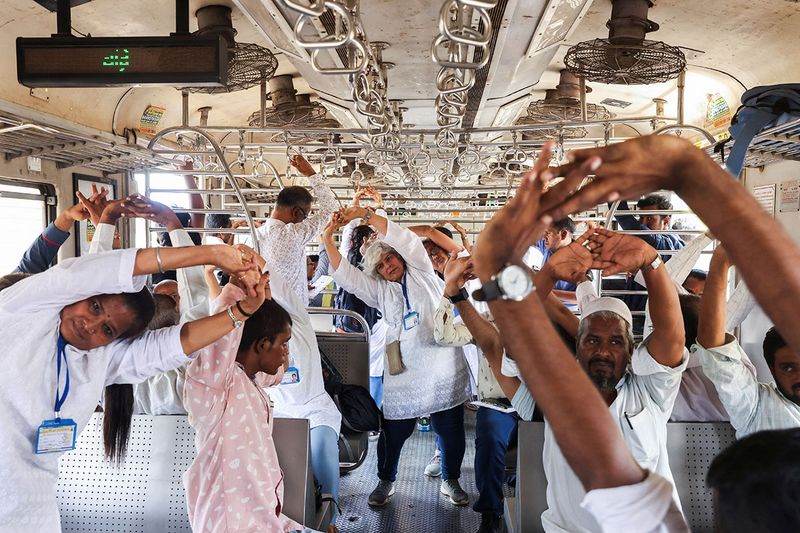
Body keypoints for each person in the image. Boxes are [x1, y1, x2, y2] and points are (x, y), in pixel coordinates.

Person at [468, 146, 689, 532]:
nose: (603, 350)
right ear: (578, 344)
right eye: (591, 340)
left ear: (632, 348)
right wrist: (549, 273)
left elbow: (671, 336)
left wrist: (650, 262)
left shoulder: (650, 392)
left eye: (616, 342)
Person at [0, 209, 262, 532]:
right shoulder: (21, 310)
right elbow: (91, 271)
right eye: (94, 307)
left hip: (33, 517)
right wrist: (213, 254)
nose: (91, 325)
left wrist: (240, 312)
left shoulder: (99, 361)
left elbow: (172, 346)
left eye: (108, 330)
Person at [322, 206, 471, 507]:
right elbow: (347, 277)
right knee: (395, 431)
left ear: (399, 256)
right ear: (376, 272)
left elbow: (409, 240)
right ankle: (385, 480)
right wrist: (327, 238)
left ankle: (450, 479)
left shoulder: (422, 271)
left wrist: (365, 214)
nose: (387, 265)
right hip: (404, 373)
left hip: (442, 365)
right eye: (380, 265)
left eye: (389, 257)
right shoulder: (380, 291)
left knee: (450, 428)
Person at [183, 270, 321, 533]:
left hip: (263, 517)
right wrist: (236, 288)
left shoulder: (250, 379)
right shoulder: (216, 388)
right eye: (284, 344)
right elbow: (218, 344)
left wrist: (264, 303)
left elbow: (278, 370)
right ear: (262, 345)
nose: (286, 353)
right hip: (229, 522)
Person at [254, 154, 343, 523]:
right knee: (309, 397)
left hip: (260, 329)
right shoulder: (291, 235)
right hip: (295, 328)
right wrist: (314, 174)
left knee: (280, 397)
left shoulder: (254, 235)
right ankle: (331, 511)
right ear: (297, 214)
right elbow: (334, 210)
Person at [433, 253, 520, 533]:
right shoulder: (481, 323)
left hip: (538, 403)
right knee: (491, 441)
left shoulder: (537, 320)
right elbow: (443, 335)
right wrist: (449, 294)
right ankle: (490, 512)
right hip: (498, 405)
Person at [697, 245, 800, 437]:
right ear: (771, 369)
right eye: (788, 368)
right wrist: (721, 261)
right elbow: (714, 346)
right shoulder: (755, 406)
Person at [334, 186, 387, 409]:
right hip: (372, 320)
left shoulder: (347, 256)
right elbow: (385, 233)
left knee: (348, 370)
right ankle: (372, 412)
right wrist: (380, 206)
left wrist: (356, 201)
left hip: (346, 318)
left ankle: (351, 412)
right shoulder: (380, 261)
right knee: (375, 369)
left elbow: (348, 232)